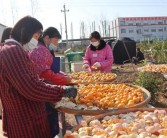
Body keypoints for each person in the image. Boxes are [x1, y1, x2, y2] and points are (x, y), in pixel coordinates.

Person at [0, 16, 76, 138]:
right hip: (25, 123)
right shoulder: (12, 51)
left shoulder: (14, 50)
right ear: (24, 31)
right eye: (35, 36)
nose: (36, 41)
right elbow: (31, 88)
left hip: (26, 118)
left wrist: (48, 85)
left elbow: (29, 80)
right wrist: (62, 91)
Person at [28, 27, 72, 138]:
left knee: (50, 119)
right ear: (47, 38)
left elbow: (52, 69)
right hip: (44, 91)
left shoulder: (45, 48)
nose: (56, 44)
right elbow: (45, 73)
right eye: (55, 41)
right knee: (49, 122)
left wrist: (63, 75)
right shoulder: (40, 50)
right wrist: (64, 79)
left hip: (45, 89)